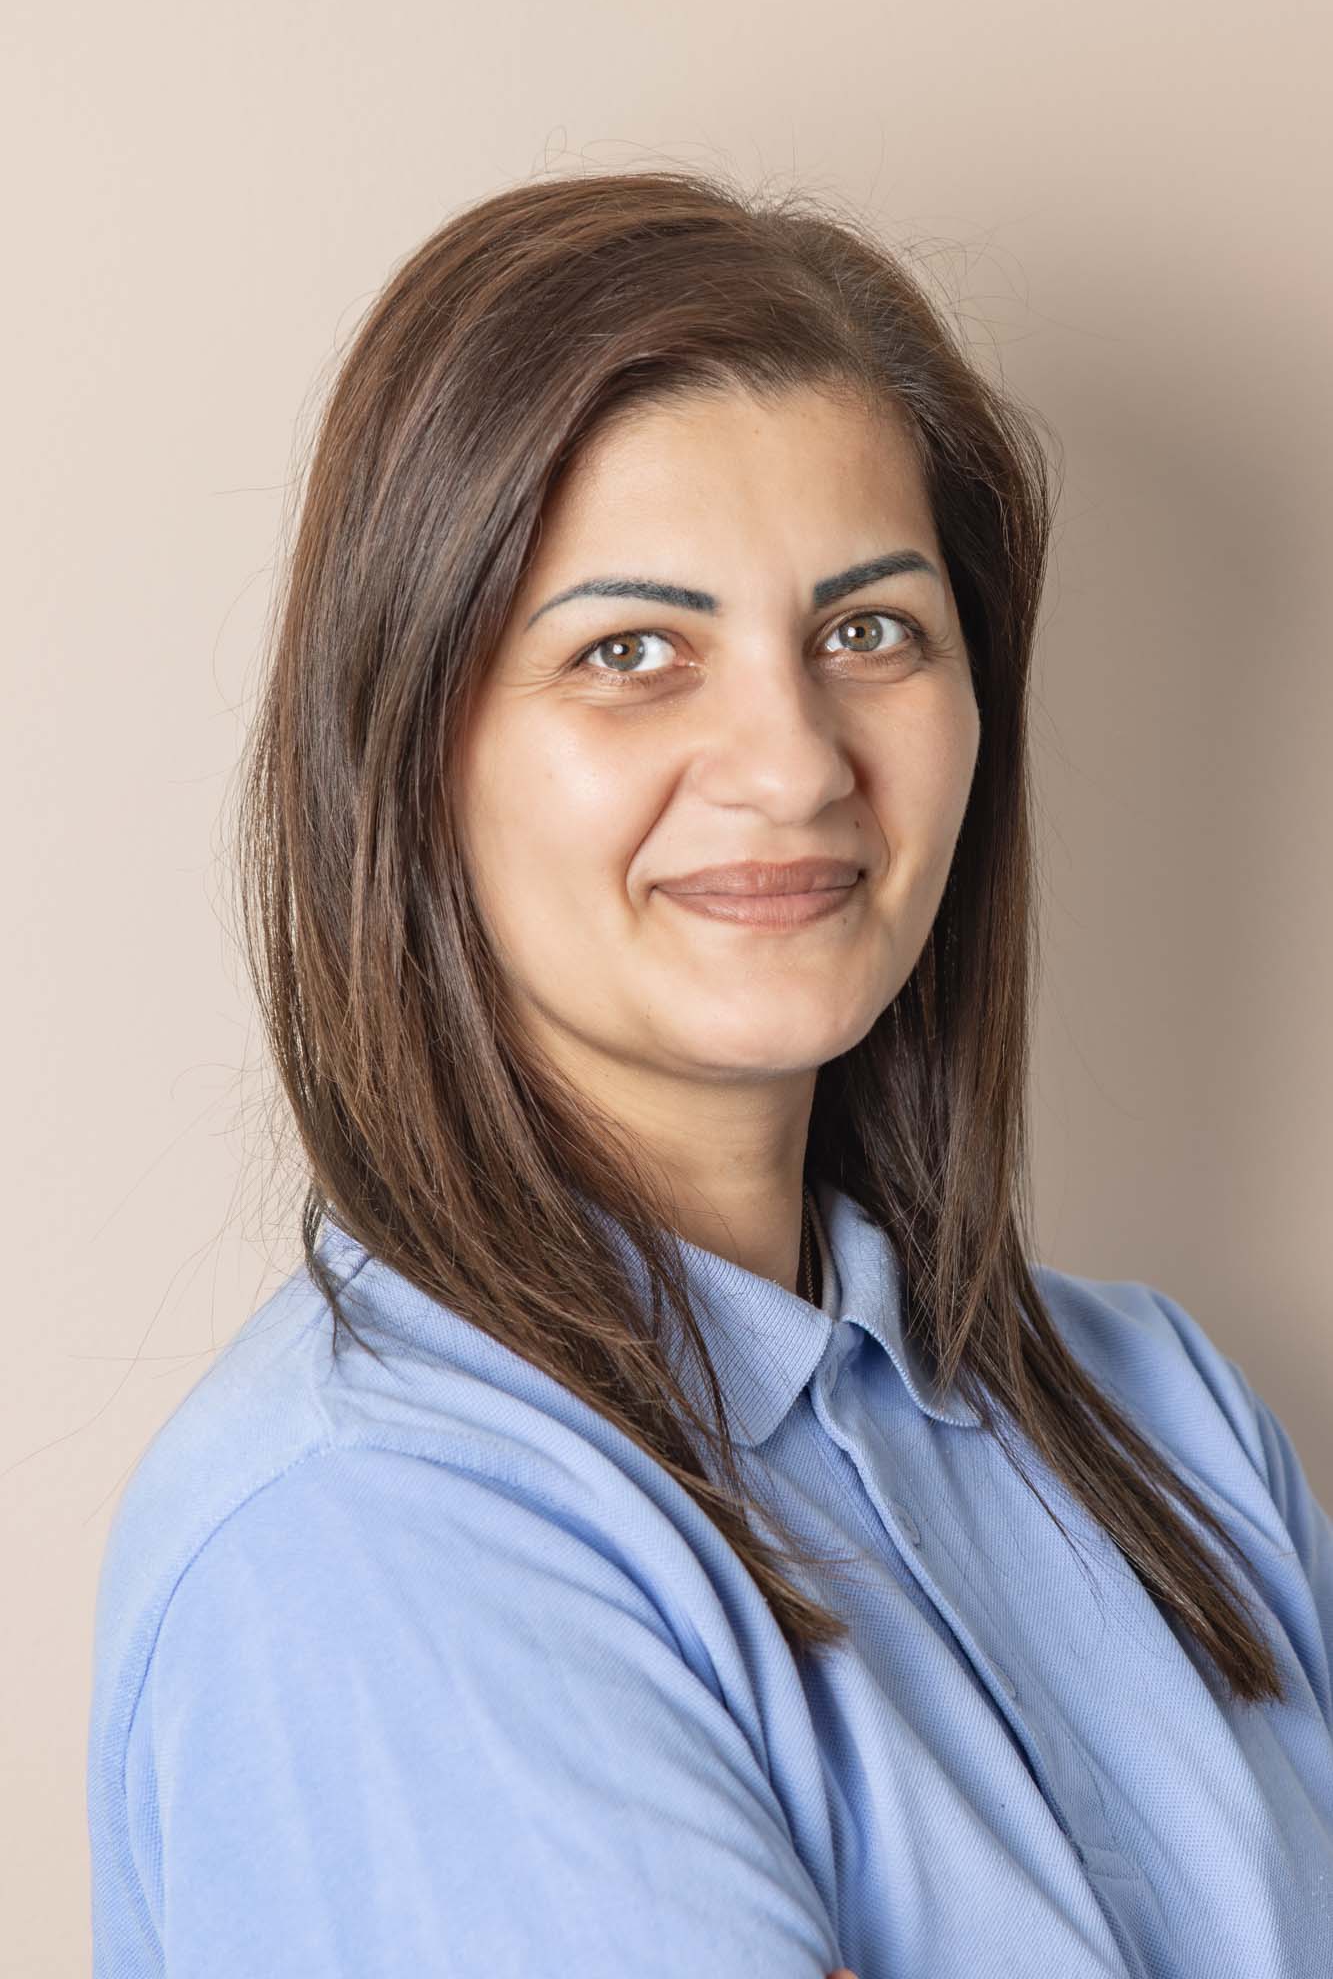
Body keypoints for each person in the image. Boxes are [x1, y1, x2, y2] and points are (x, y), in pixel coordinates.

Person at [87, 168, 1333, 1976]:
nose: (792, 761)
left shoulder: (1168, 1417)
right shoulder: (369, 1535)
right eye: (630, 651)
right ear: (408, 747)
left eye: (867, 631)